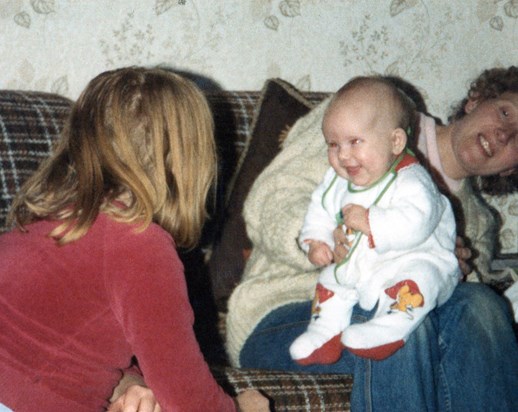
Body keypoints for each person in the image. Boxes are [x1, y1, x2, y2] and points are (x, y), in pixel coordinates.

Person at [226, 66, 518, 411]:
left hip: (400, 313)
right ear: (476, 100)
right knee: (401, 330)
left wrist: (451, 269)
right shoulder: (367, 114)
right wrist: (326, 242)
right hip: (290, 309)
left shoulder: (478, 225)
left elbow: (461, 334)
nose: (505, 134)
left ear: (511, 169)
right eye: (505, 113)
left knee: (481, 305)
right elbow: (270, 199)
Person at [0, 67, 269, 412]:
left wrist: (133, 381)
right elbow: (188, 398)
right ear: (186, 162)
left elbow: (76, 342)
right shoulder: (141, 246)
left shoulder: (50, 218)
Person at [290, 77, 460, 365]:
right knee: (331, 280)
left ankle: (392, 326)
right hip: (363, 269)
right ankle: (325, 332)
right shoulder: (336, 181)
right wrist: (317, 240)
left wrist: (371, 221)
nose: (343, 155)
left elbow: (417, 221)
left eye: (355, 142)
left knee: (418, 278)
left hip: (414, 260)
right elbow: (319, 208)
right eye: (333, 145)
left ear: (395, 141)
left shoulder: (412, 179)